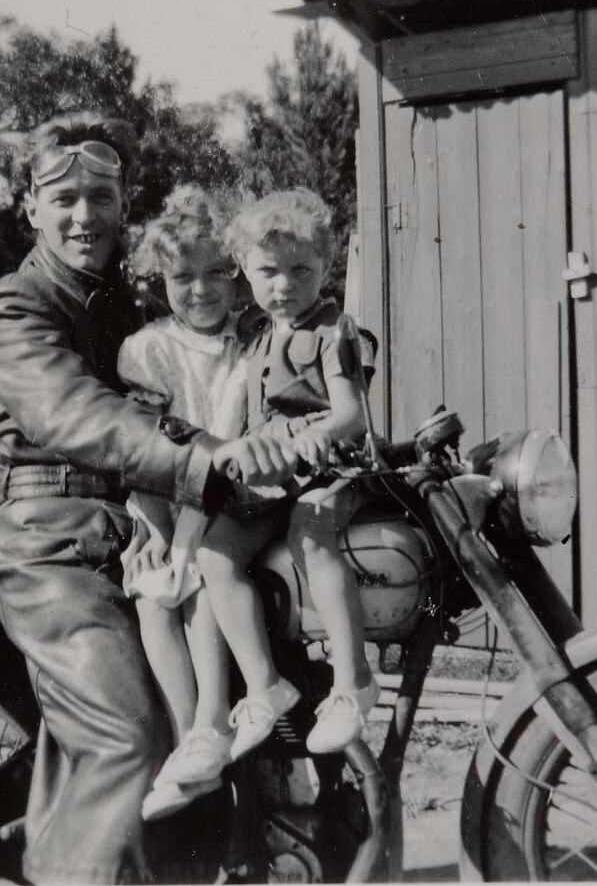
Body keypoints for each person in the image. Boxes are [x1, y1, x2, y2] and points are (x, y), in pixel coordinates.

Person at [0, 112, 295, 884]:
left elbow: (192, 387)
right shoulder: (15, 308)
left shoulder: (124, 304)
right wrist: (199, 464)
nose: (85, 214)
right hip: (53, 540)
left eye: (102, 195)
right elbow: (77, 415)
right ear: (31, 206)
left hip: (131, 528)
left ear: (124, 204)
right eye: (66, 197)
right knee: (128, 738)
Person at [197, 187, 379, 762]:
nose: (285, 284)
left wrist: (314, 438)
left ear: (326, 266)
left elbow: (350, 412)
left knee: (310, 534)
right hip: (270, 473)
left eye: (301, 269)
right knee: (215, 554)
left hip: (327, 468)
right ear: (246, 272)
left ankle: (353, 683)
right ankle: (264, 684)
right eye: (269, 271)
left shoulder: (332, 329)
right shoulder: (253, 338)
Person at [116, 187, 245, 821]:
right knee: (156, 589)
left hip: (242, 503)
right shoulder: (150, 350)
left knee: (207, 582)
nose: (200, 290)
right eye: (182, 277)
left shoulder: (251, 343)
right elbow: (142, 451)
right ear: (157, 280)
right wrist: (159, 527)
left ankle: (214, 727)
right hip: (170, 500)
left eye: (215, 273)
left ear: (236, 273)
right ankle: (183, 731)